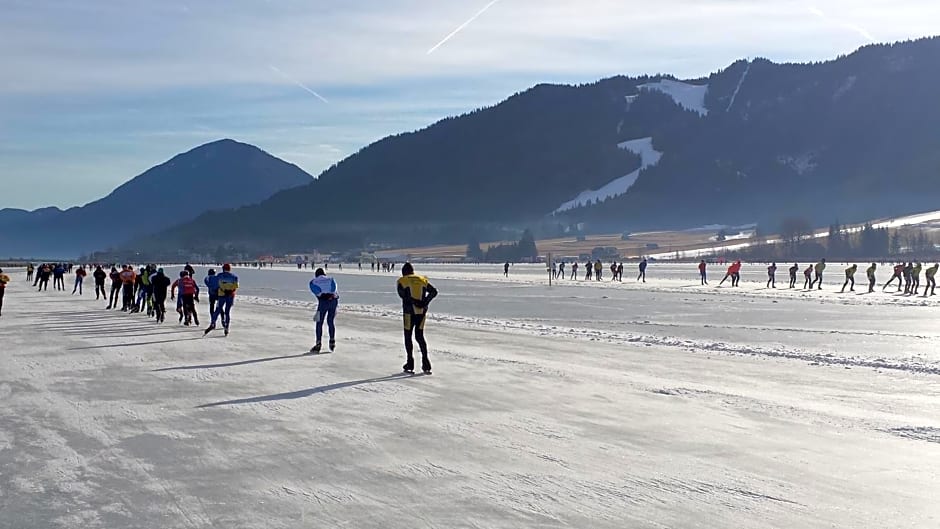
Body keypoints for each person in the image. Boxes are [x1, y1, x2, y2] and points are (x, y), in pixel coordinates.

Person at [397, 262, 438, 374]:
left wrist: (415, 302)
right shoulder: (422, 279)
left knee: (408, 336)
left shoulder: (402, 281)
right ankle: (426, 364)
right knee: (420, 336)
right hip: (422, 313)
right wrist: (424, 302)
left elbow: (404, 296)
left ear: (403, 272)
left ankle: (410, 363)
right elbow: (434, 292)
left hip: (409, 313)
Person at [308, 268, 339, 353]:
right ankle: (332, 341)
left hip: (323, 302)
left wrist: (323, 296)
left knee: (319, 322)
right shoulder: (331, 279)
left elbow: (318, 293)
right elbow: (333, 290)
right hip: (333, 301)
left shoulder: (312, 282)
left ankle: (318, 344)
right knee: (330, 321)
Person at [204, 264, 239, 336]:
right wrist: (230, 290)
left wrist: (214, 290)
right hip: (230, 296)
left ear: (223, 269)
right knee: (227, 312)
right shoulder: (234, 277)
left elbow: (215, 285)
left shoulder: (219, 275)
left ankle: (213, 323)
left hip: (221, 295)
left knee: (218, 310)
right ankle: (226, 326)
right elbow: (236, 286)